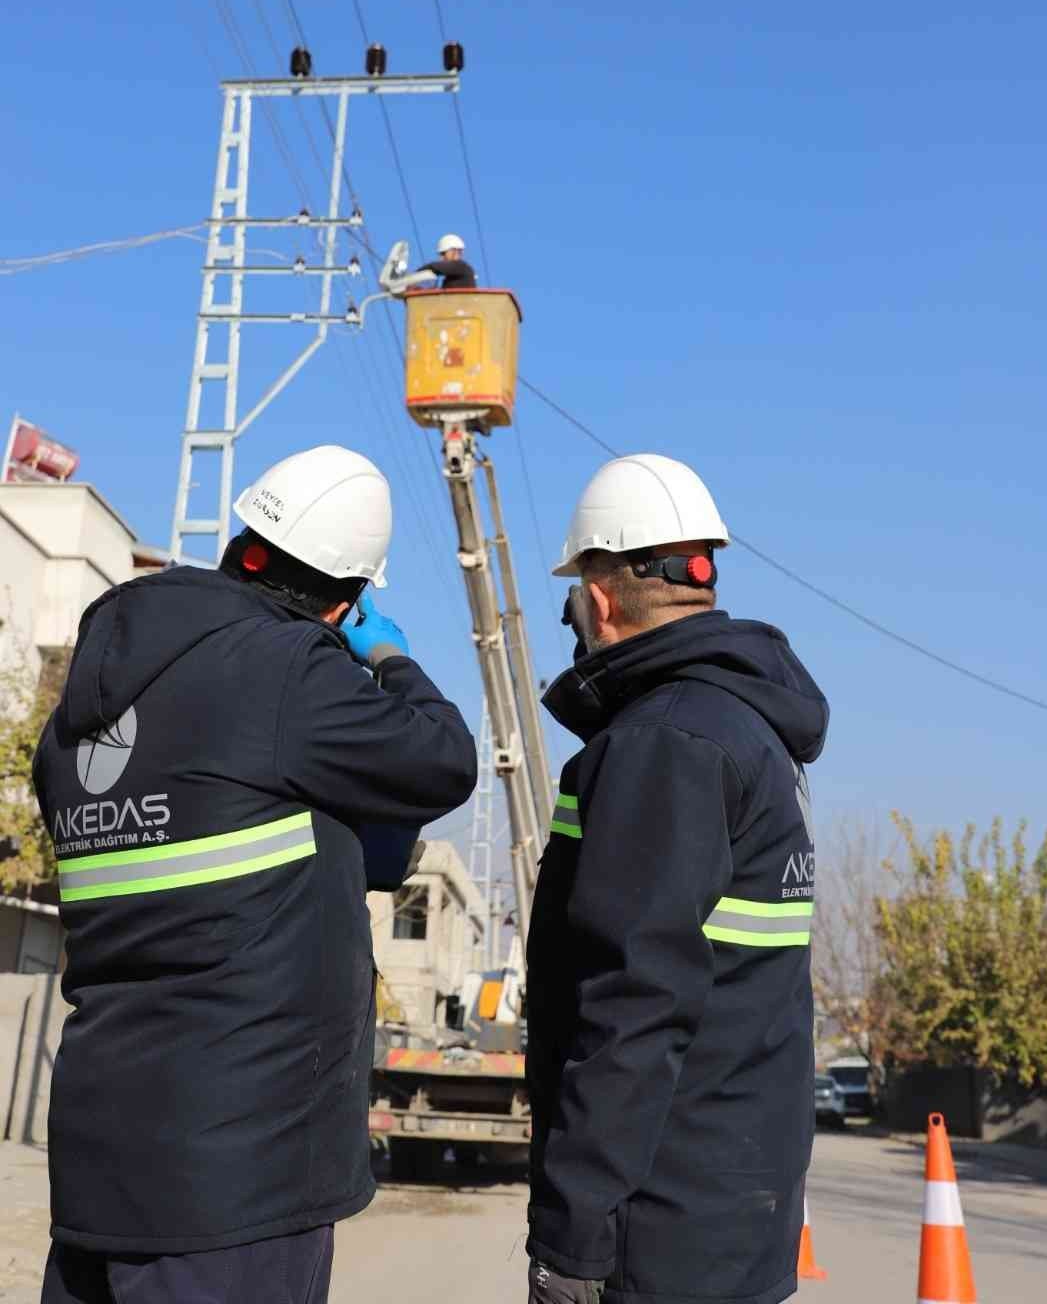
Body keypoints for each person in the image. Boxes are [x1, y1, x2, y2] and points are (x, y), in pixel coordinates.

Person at [32, 444, 477, 1304]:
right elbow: (443, 759)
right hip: (239, 1180)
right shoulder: (282, 672)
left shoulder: (83, 710)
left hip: (98, 1157)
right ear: (345, 602)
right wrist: (388, 660)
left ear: (243, 544)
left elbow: (248, 831)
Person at [525, 454, 829, 1304]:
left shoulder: (664, 744)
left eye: (574, 595)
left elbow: (633, 1004)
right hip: (731, 1210)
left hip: (658, 1224)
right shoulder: (747, 730)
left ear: (602, 596)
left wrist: (572, 1238)